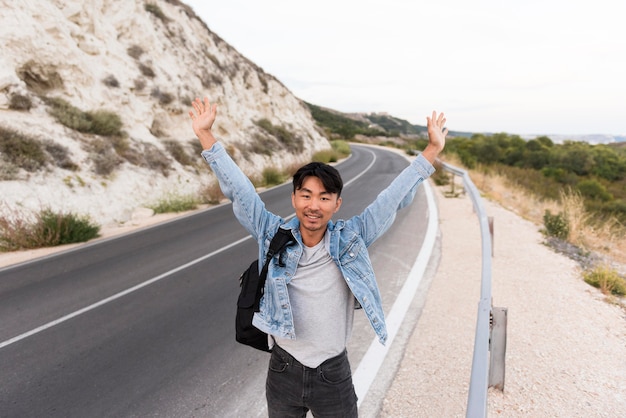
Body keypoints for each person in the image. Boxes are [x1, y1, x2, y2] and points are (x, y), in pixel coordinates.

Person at [189, 97, 447, 417]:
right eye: (307, 195)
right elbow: (240, 191)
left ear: (336, 204)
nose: (314, 205)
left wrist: (432, 150)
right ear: (294, 198)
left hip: (332, 374)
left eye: (324, 197)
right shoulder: (272, 233)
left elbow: (391, 199)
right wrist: (206, 136)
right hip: (283, 370)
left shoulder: (352, 237)